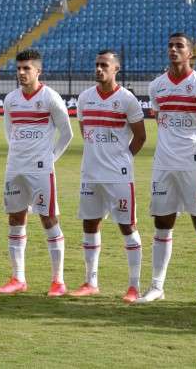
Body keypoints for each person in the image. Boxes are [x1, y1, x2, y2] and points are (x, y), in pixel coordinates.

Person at [137, 33, 196, 306]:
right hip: (163, 165)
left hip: (193, 166)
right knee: (162, 223)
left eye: (179, 46)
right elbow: (161, 122)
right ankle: (157, 286)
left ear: (190, 54)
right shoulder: (156, 87)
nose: (173, 50)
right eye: (170, 46)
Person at [0, 49, 73, 296]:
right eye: (18, 69)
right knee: (15, 219)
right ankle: (18, 278)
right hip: (15, 168)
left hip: (41, 171)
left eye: (26, 69)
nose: (21, 73)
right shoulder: (10, 100)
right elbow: (9, 131)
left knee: (48, 220)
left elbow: (67, 133)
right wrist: (19, 154)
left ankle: (58, 281)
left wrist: (49, 158)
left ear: (38, 71)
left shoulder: (50, 97)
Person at [69, 50, 146, 303]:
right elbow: (86, 132)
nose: (99, 69)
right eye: (97, 65)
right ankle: (91, 282)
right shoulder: (84, 98)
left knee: (127, 226)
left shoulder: (127, 100)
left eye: (104, 65)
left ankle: (133, 287)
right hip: (90, 174)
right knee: (90, 224)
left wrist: (122, 159)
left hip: (118, 176)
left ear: (116, 69)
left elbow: (141, 136)